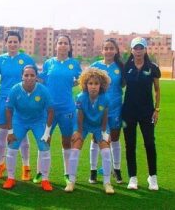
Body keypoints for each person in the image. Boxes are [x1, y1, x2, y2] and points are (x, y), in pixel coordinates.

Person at [36, 35, 82, 183]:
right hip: (49, 109)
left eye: (65, 43)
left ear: (69, 47)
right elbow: (42, 79)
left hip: (67, 108)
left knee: (66, 141)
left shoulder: (74, 64)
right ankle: (40, 172)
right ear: (56, 46)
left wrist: (70, 85)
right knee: (45, 139)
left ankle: (67, 173)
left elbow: (81, 79)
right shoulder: (49, 63)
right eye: (60, 43)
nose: (62, 45)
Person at [0, 30, 36, 180]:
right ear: (6, 43)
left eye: (15, 42)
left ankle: (26, 167)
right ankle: (0, 165)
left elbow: (35, 78)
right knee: (3, 134)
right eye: (9, 42)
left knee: (22, 135)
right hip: (3, 99)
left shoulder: (27, 59)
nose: (12, 44)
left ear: (19, 43)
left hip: (22, 100)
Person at [3, 65, 54, 191]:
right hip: (19, 121)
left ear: (37, 77)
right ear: (22, 76)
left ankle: (45, 179)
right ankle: (10, 178)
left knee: (44, 147)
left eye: (32, 75)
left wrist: (47, 132)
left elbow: (51, 111)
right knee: (12, 147)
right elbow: (8, 110)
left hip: (38, 121)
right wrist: (10, 132)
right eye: (26, 75)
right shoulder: (15, 89)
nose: (29, 78)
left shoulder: (43, 90)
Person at [64, 68, 114, 194]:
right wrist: (77, 132)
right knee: (74, 150)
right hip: (84, 125)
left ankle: (107, 183)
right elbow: (79, 118)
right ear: (85, 84)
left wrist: (104, 133)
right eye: (90, 83)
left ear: (101, 85)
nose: (93, 87)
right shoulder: (81, 97)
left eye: (96, 84)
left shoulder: (106, 99)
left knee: (107, 152)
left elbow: (104, 118)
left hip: (99, 127)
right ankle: (71, 181)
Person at [122, 37, 161, 191]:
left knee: (150, 144)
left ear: (145, 50)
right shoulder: (126, 67)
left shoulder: (153, 67)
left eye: (141, 48)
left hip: (147, 112)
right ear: (131, 50)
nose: (138, 51)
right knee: (130, 145)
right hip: (128, 112)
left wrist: (156, 110)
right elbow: (121, 85)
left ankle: (153, 177)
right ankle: (132, 177)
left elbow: (157, 90)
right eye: (135, 48)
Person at [89, 39, 124, 184]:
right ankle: (93, 171)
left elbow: (125, 85)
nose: (109, 51)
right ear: (102, 51)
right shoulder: (95, 67)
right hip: (98, 109)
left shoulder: (121, 67)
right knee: (96, 139)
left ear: (116, 51)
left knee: (115, 138)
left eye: (112, 48)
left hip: (116, 109)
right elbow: (87, 86)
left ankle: (117, 170)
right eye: (106, 48)